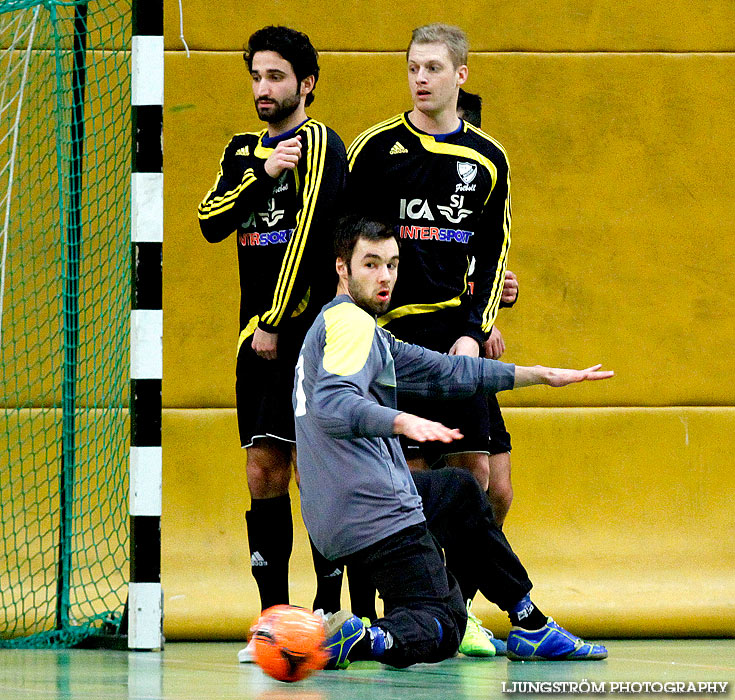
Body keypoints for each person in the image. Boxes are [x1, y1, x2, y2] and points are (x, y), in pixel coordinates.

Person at [296, 216, 612, 668]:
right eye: (370, 264)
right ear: (341, 268)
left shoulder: (346, 328)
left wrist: (538, 376)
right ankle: (364, 637)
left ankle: (527, 621)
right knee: (443, 625)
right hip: (375, 508)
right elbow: (333, 403)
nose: (385, 277)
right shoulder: (350, 325)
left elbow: (450, 372)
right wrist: (399, 420)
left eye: (392, 264)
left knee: (459, 491)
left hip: (336, 511)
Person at [196, 25, 347, 649]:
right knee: (264, 470)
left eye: (276, 76)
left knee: (318, 471)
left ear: (305, 84)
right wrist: (260, 173)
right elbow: (210, 220)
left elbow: (313, 239)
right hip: (255, 343)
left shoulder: (322, 144)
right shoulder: (242, 151)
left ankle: (329, 610)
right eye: (257, 76)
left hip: (305, 337)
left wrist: (277, 321)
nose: (264, 87)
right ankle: (273, 621)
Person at [346, 24, 510, 497]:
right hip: (391, 333)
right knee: (409, 478)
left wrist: (475, 331)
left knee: (476, 474)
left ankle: (456, 575)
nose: (421, 78)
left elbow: (492, 251)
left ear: (460, 75)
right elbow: (345, 242)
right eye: (413, 68)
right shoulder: (375, 149)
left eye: (433, 68)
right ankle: (417, 574)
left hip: (453, 330)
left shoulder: (488, 158)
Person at [457, 87, 518, 528]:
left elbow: (490, 271)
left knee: (499, 491)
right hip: (434, 349)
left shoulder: (482, 191)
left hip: (474, 356)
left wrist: (499, 300)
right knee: (463, 477)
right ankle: (437, 586)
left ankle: (466, 586)